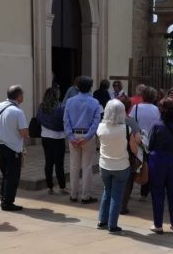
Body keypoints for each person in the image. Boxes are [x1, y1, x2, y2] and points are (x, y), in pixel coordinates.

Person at [96, 100, 138, 234]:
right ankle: (112, 225)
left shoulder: (101, 127)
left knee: (106, 192)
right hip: (121, 166)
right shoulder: (126, 129)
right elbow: (135, 150)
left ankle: (102, 221)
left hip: (104, 165)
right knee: (116, 195)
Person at [148, 98, 173, 234]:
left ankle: (158, 224)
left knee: (157, 192)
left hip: (158, 160)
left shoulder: (156, 125)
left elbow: (150, 145)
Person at [64, 75, 101, 204]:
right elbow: (96, 122)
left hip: (73, 135)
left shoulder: (70, 101)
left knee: (74, 167)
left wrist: (71, 136)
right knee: (87, 167)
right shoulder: (95, 102)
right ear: (90, 87)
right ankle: (86, 196)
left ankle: (73, 194)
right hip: (87, 137)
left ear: (77, 87)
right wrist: (87, 137)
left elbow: (66, 120)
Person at [0, 85, 28, 211]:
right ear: (19, 96)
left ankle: (3, 198)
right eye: (22, 95)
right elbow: (24, 132)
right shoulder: (18, 112)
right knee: (12, 176)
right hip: (13, 148)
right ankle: (8, 203)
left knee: (5, 174)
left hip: (0, 145)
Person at [130, 86, 160, 200]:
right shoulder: (157, 109)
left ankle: (129, 190)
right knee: (148, 166)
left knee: (134, 164)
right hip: (151, 141)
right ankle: (145, 192)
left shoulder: (136, 107)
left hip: (137, 139)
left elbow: (132, 123)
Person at [37, 87, 67, 195]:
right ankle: (62, 187)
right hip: (58, 138)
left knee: (48, 163)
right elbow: (63, 123)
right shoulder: (60, 108)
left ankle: (50, 187)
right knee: (59, 164)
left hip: (45, 137)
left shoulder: (41, 107)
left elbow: (39, 119)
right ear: (56, 95)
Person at [118, 95, 142, 215]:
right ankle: (123, 206)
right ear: (129, 107)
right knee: (127, 182)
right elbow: (137, 140)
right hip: (127, 155)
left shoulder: (108, 120)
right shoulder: (131, 121)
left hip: (112, 154)